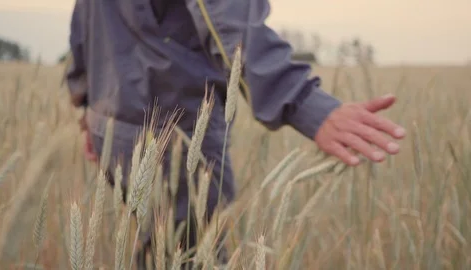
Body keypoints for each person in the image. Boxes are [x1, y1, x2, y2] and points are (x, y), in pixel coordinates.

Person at [66, 0, 406, 268]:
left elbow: (86, 19)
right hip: (180, 136)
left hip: (114, 129)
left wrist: (87, 108)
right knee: (193, 257)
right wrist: (304, 103)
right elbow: (227, 20)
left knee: (156, 251)